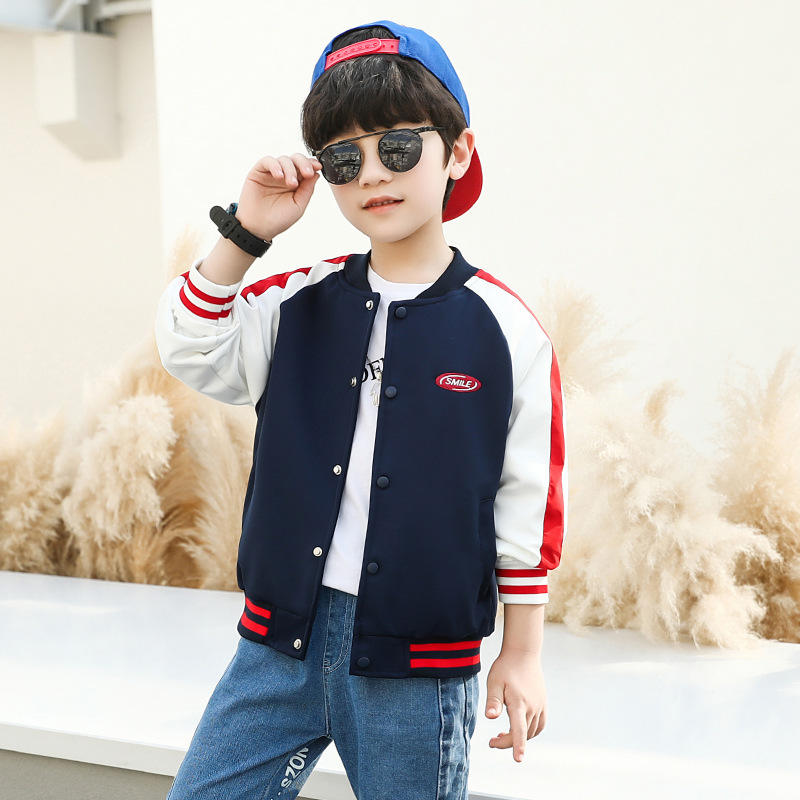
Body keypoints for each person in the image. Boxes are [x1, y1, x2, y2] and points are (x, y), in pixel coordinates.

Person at [155, 19, 568, 800]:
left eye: (398, 146)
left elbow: (529, 502)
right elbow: (190, 346)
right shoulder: (296, 301)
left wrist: (522, 652)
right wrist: (247, 232)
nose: (373, 173)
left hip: (416, 664)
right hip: (277, 644)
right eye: (344, 159)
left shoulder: (507, 329)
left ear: (459, 152)